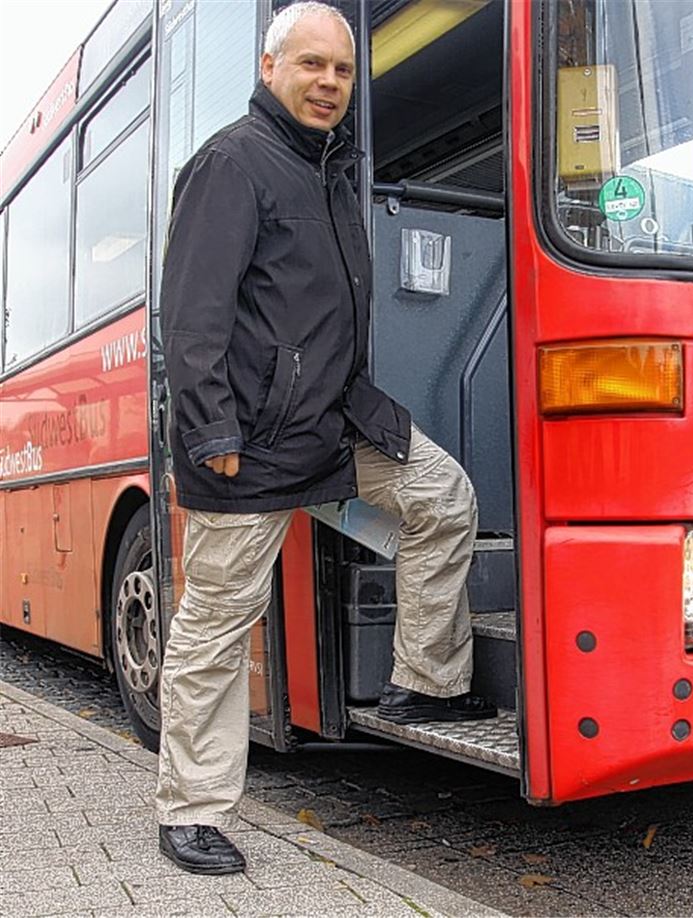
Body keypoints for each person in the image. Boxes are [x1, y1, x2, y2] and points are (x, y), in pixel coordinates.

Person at [155, 0, 494, 876]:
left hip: (337, 421)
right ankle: (191, 810)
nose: (329, 83)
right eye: (312, 64)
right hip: (251, 438)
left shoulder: (328, 169)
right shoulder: (232, 162)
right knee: (217, 622)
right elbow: (190, 317)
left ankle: (425, 683)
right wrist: (212, 429)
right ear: (270, 68)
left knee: (444, 498)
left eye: (342, 70)